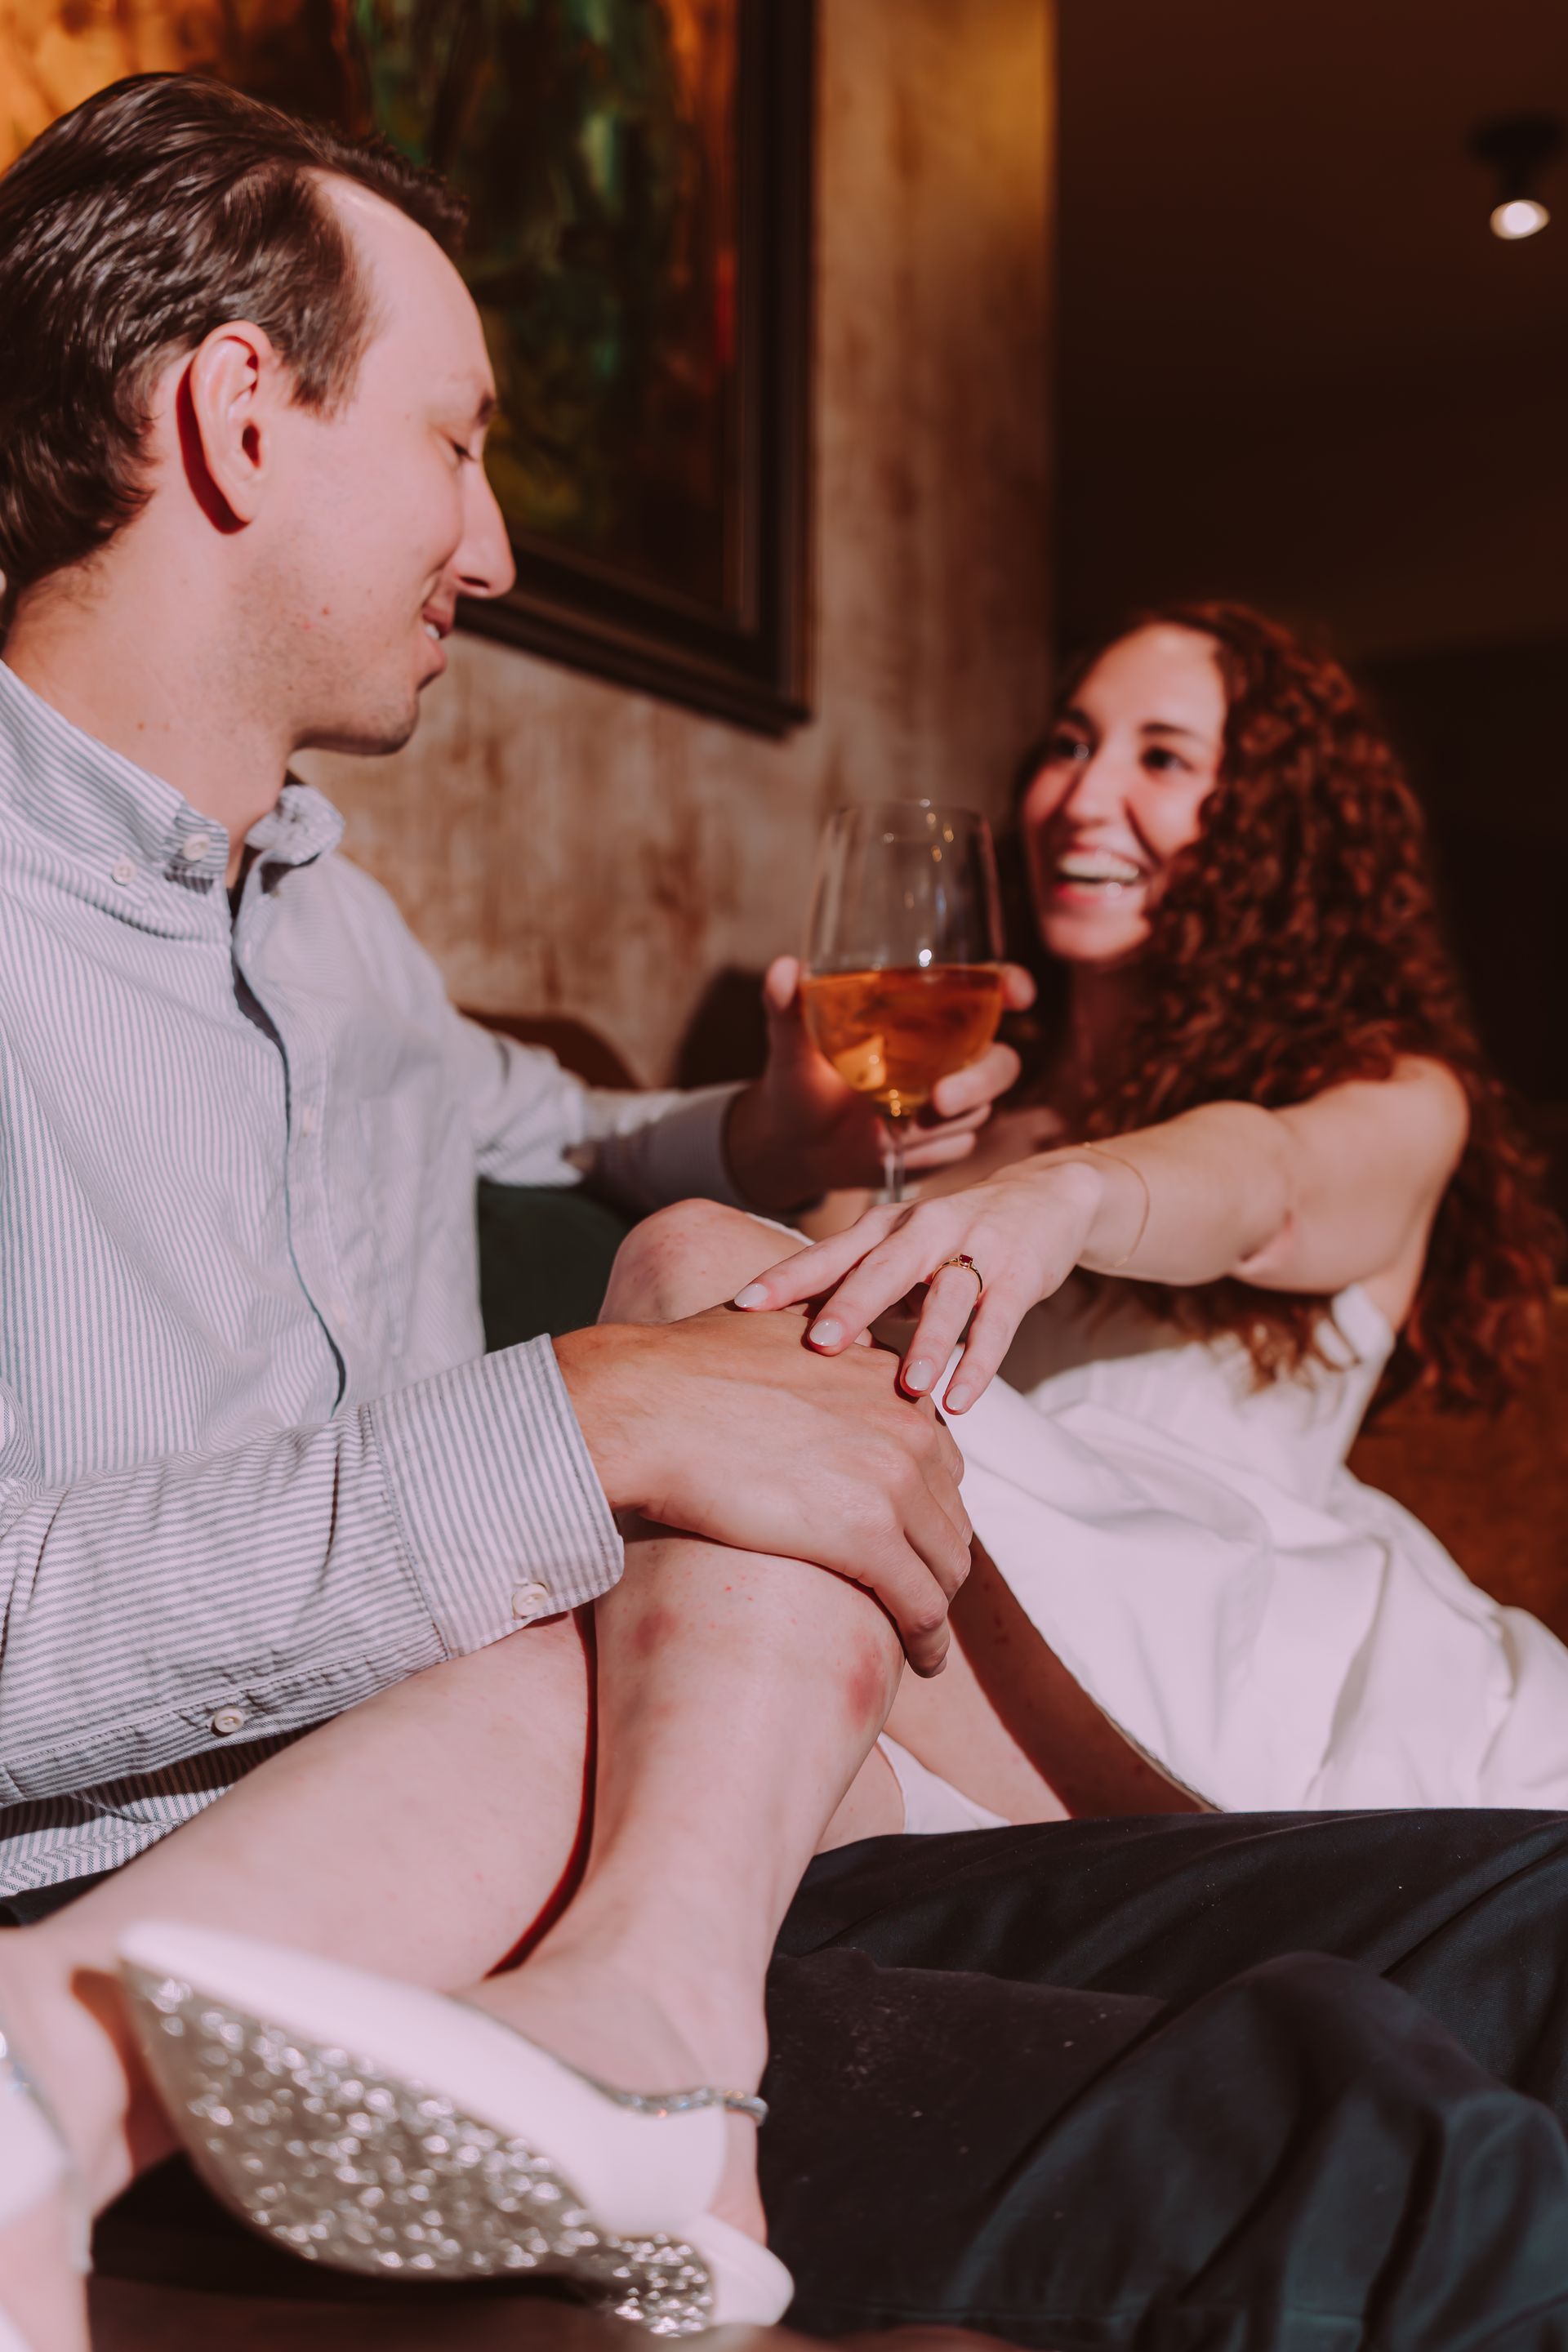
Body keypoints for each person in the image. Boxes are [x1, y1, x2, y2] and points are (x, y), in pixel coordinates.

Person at [0, 69, 1052, 2347]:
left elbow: (557, 1137)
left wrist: (757, 1137)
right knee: (1360, 2157)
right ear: (238, 418)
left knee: (1401, 2052)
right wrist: (576, 1425)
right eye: (461, 445)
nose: (489, 550)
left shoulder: (338, 939)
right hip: (189, 1915)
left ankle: (660, 2038)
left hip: (535, 1846)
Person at [741, 603, 1568, 1816]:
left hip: (1223, 1646)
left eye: (1163, 758)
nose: (1083, 797)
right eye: (1070, 745)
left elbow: (1262, 1187)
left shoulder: (1392, 1099)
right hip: (938, 1606)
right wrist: (801, 1148)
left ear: (1278, 828)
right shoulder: (956, 1117)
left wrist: (1066, 1193)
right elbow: (803, 1365)